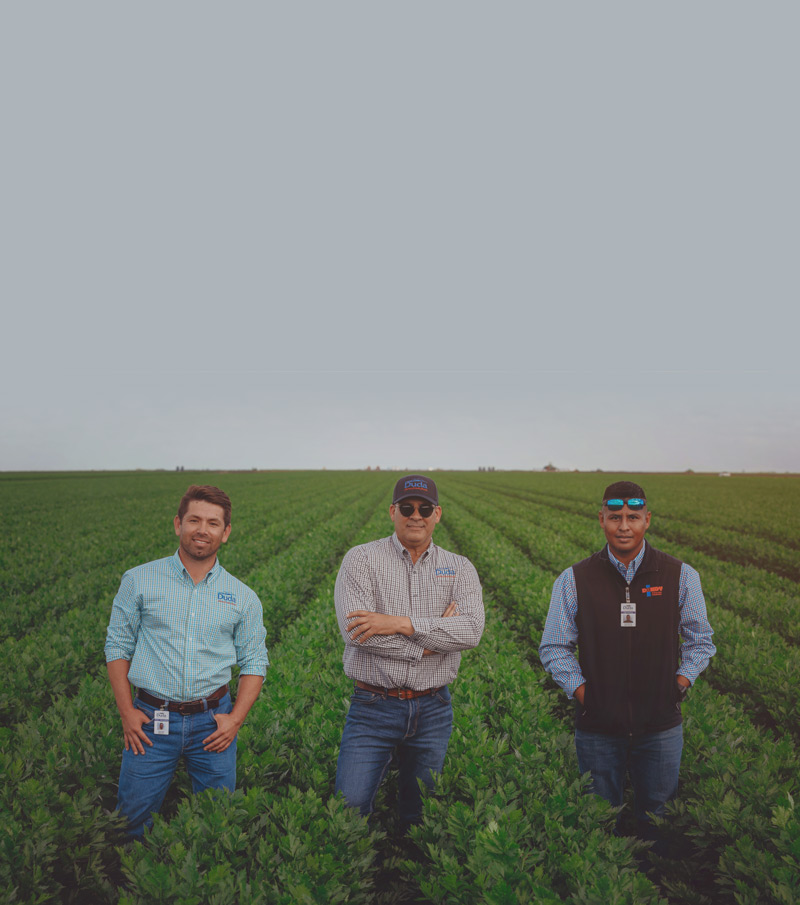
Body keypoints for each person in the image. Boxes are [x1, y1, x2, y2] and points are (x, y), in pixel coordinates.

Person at [539, 481, 716, 846]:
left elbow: (701, 640)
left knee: (659, 816)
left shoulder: (680, 575)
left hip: (661, 727)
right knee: (599, 820)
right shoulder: (574, 579)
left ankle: (655, 879)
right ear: (601, 519)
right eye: (615, 517)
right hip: (598, 728)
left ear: (647, 520)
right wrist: (587, 695)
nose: (624, 526)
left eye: (633, 517)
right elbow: (554, 646)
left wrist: (679, 684)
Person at [104, 484, 269, 838]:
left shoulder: (243, 597)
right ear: (178, 524)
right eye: (194, 520)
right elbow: (117, 647)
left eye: (213, 523)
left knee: (217, 823)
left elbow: (255, 662)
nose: (202, 530)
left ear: (225, 534)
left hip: (214, 724)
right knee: (130, 822)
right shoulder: (139, 580)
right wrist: (126, 713)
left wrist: (235, 720)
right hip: (149, 721)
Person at [334, 474, 485, 831]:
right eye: (407, 507)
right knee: (349, 807)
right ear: (392, 511)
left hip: (434, 708)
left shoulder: (460, 567)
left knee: (421, 810)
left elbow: (472, 631)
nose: (415, 515)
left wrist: (401, 624)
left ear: (437, 514)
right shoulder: (361, 560)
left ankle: (408, 873)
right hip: (373, 707)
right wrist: (434, 642)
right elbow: (358, 634)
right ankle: (361, 872)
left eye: (424, 508)